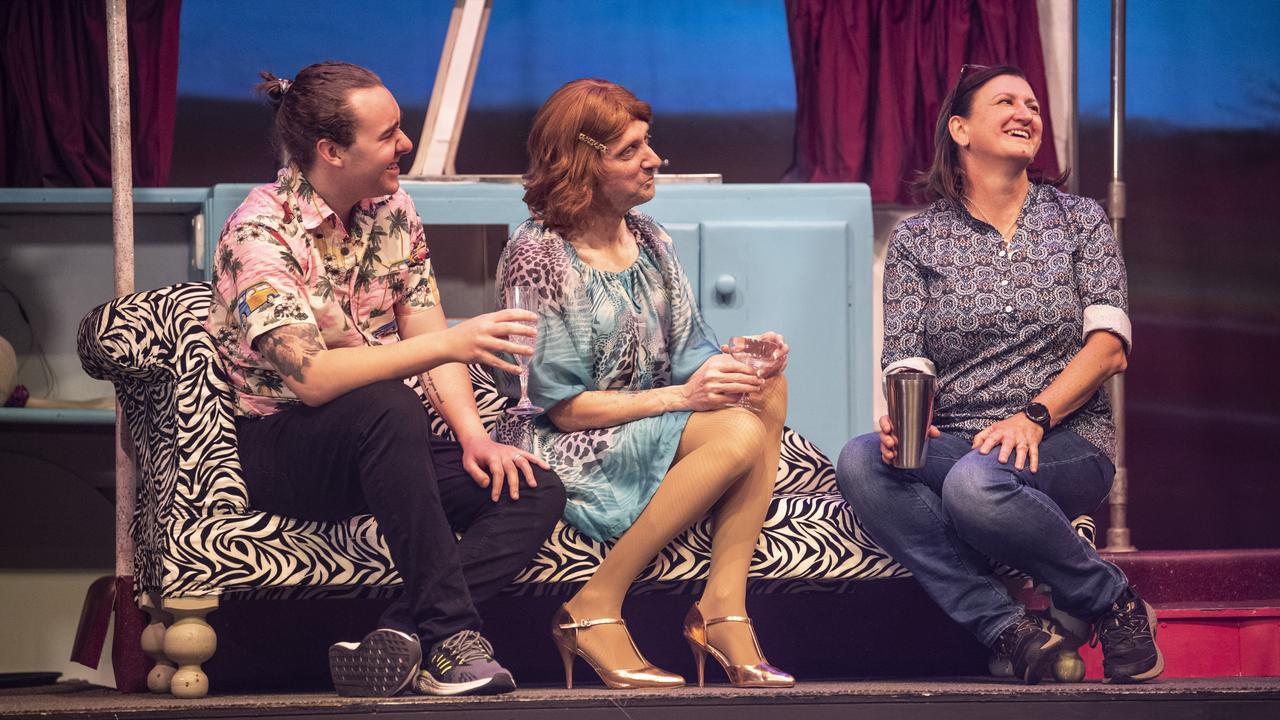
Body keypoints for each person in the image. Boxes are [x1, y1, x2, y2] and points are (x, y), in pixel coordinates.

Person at [204, 61, 565, 697]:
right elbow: (312, 379)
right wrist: (447, 342)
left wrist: (474, 436)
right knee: (387, 403)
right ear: (331, 151)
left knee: (530, 488)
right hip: (283, 448)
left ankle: (399, 636)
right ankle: (452, 639)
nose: (405, 144)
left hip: (380, 444)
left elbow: (428, 333)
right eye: (389, 134)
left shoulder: (392, 209)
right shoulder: (258, 235)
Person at [836, 64, 1162, 684]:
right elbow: (906, 355)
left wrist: (1034, 416)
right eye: (1006, 102)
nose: (1026, 114)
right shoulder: (919, 240)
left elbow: (1109, 347)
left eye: (1033, 105)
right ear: (959, 129)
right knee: (861, 460)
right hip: (961, 437)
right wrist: (907, 417)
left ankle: (1113, 601)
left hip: (1065, 436)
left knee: (972, 485)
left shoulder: (1079, 221)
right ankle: (1010, 630)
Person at [492, 79, 795, 690]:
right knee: (738, 432)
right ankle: (594, 605)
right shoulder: (540, 255)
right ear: (584, 164)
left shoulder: (650, 238)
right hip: (564, 438)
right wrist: (685, 397)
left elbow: (690, 352)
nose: (653, 159)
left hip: (645, 422)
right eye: (630, 151)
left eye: (647, 144)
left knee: (766, 390)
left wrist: (742, 359)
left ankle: (723, 609)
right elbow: (563, 407)